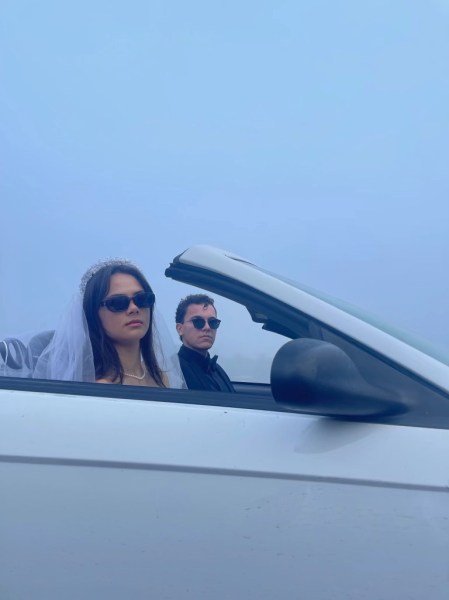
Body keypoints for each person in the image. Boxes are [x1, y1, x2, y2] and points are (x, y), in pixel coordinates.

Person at [28, 259, 185, 387]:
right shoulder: (98, 386)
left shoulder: (161, 377)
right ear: (93, 314)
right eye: (118, 303)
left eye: (142, 299)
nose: (134, 308)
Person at [175, 294, 235, 392]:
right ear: (180, 329)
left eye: (213, 322)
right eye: (198, 322)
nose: (207, 327)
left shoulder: (217, 370)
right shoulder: (174, 371)